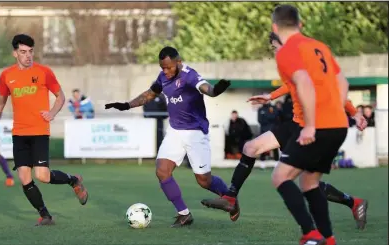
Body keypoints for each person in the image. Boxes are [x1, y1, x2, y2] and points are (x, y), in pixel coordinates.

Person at [203, 6, 369, 244]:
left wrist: (346, 115)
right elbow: (306, 83)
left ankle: (325, 225)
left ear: (278, 32)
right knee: (253, 149)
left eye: (274, 47)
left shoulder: (292, 53)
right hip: (298, 124)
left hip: (310, 127)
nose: (274, 52)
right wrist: (271, 96)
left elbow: (307, 82)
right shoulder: (313, 50)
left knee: (297, 181)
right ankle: (230, 197)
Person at [105, 46, 232, 227]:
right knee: (162, 171)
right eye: (162, 67)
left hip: (195, 132)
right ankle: (184, 214)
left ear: (178, 62)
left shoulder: (189, 75)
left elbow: (206, 88)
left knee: (204, 181)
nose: (165, 71)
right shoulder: (163, 77)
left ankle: (230, 198)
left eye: (169, 67)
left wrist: (215, 91)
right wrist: (126, 105)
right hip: (175, 131)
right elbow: (149, 94)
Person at [0, 34, 88, 226]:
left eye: (30, 51)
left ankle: (73, 180)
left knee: (42, 176)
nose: (28, 56)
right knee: (24, 177)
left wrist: (53, 113)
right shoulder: (7, 75)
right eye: (23, 52)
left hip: (39, 131)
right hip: (19, 133)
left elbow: (60, 96)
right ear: (15, 53)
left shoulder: (44, 72)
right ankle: (45, 215)